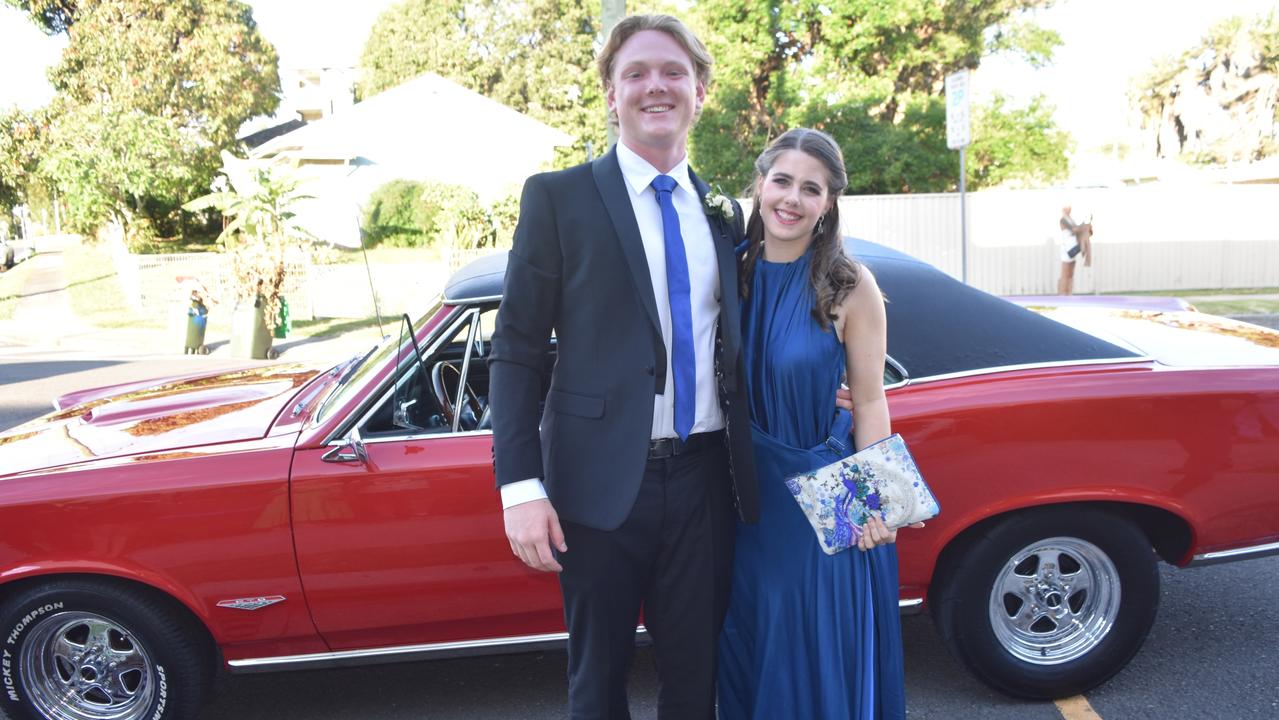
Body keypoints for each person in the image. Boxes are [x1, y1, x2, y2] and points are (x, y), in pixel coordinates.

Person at [488, 14, 760, 719]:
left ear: (700, 89)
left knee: (695, 681)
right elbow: (516, 347)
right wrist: (519, 487)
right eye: (634, 73)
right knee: (597, 682)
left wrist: (831, 387)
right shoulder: (558, 198)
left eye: (672, 72)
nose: (654, 86)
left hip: (706, 483)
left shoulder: (725, 215)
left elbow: (753, 337)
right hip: (595, 486)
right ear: (610, 94)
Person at [716, 128, 912, 719]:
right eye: (782, 181)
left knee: (809, 657)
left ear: (828, 203)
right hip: (733, 503)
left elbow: (871, 402)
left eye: (811, 188)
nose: (792, 198)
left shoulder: (850, 285)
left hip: (818, 501)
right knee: (747, 652)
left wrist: (877, 500)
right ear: (759, 184)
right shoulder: (727, 275)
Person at [1057, 204, 1093, 295]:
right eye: (1067, 208)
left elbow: (1078, 229)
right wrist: (1084, 225)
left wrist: (1086, 224)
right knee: (1065, 272)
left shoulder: (1071, 219)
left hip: (1072, 246)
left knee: (1070, 272)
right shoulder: (1063, 219)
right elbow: (1074, 229)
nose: (1069, 210)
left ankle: (1069, 292)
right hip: (1066, 248)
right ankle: (1062, 292)